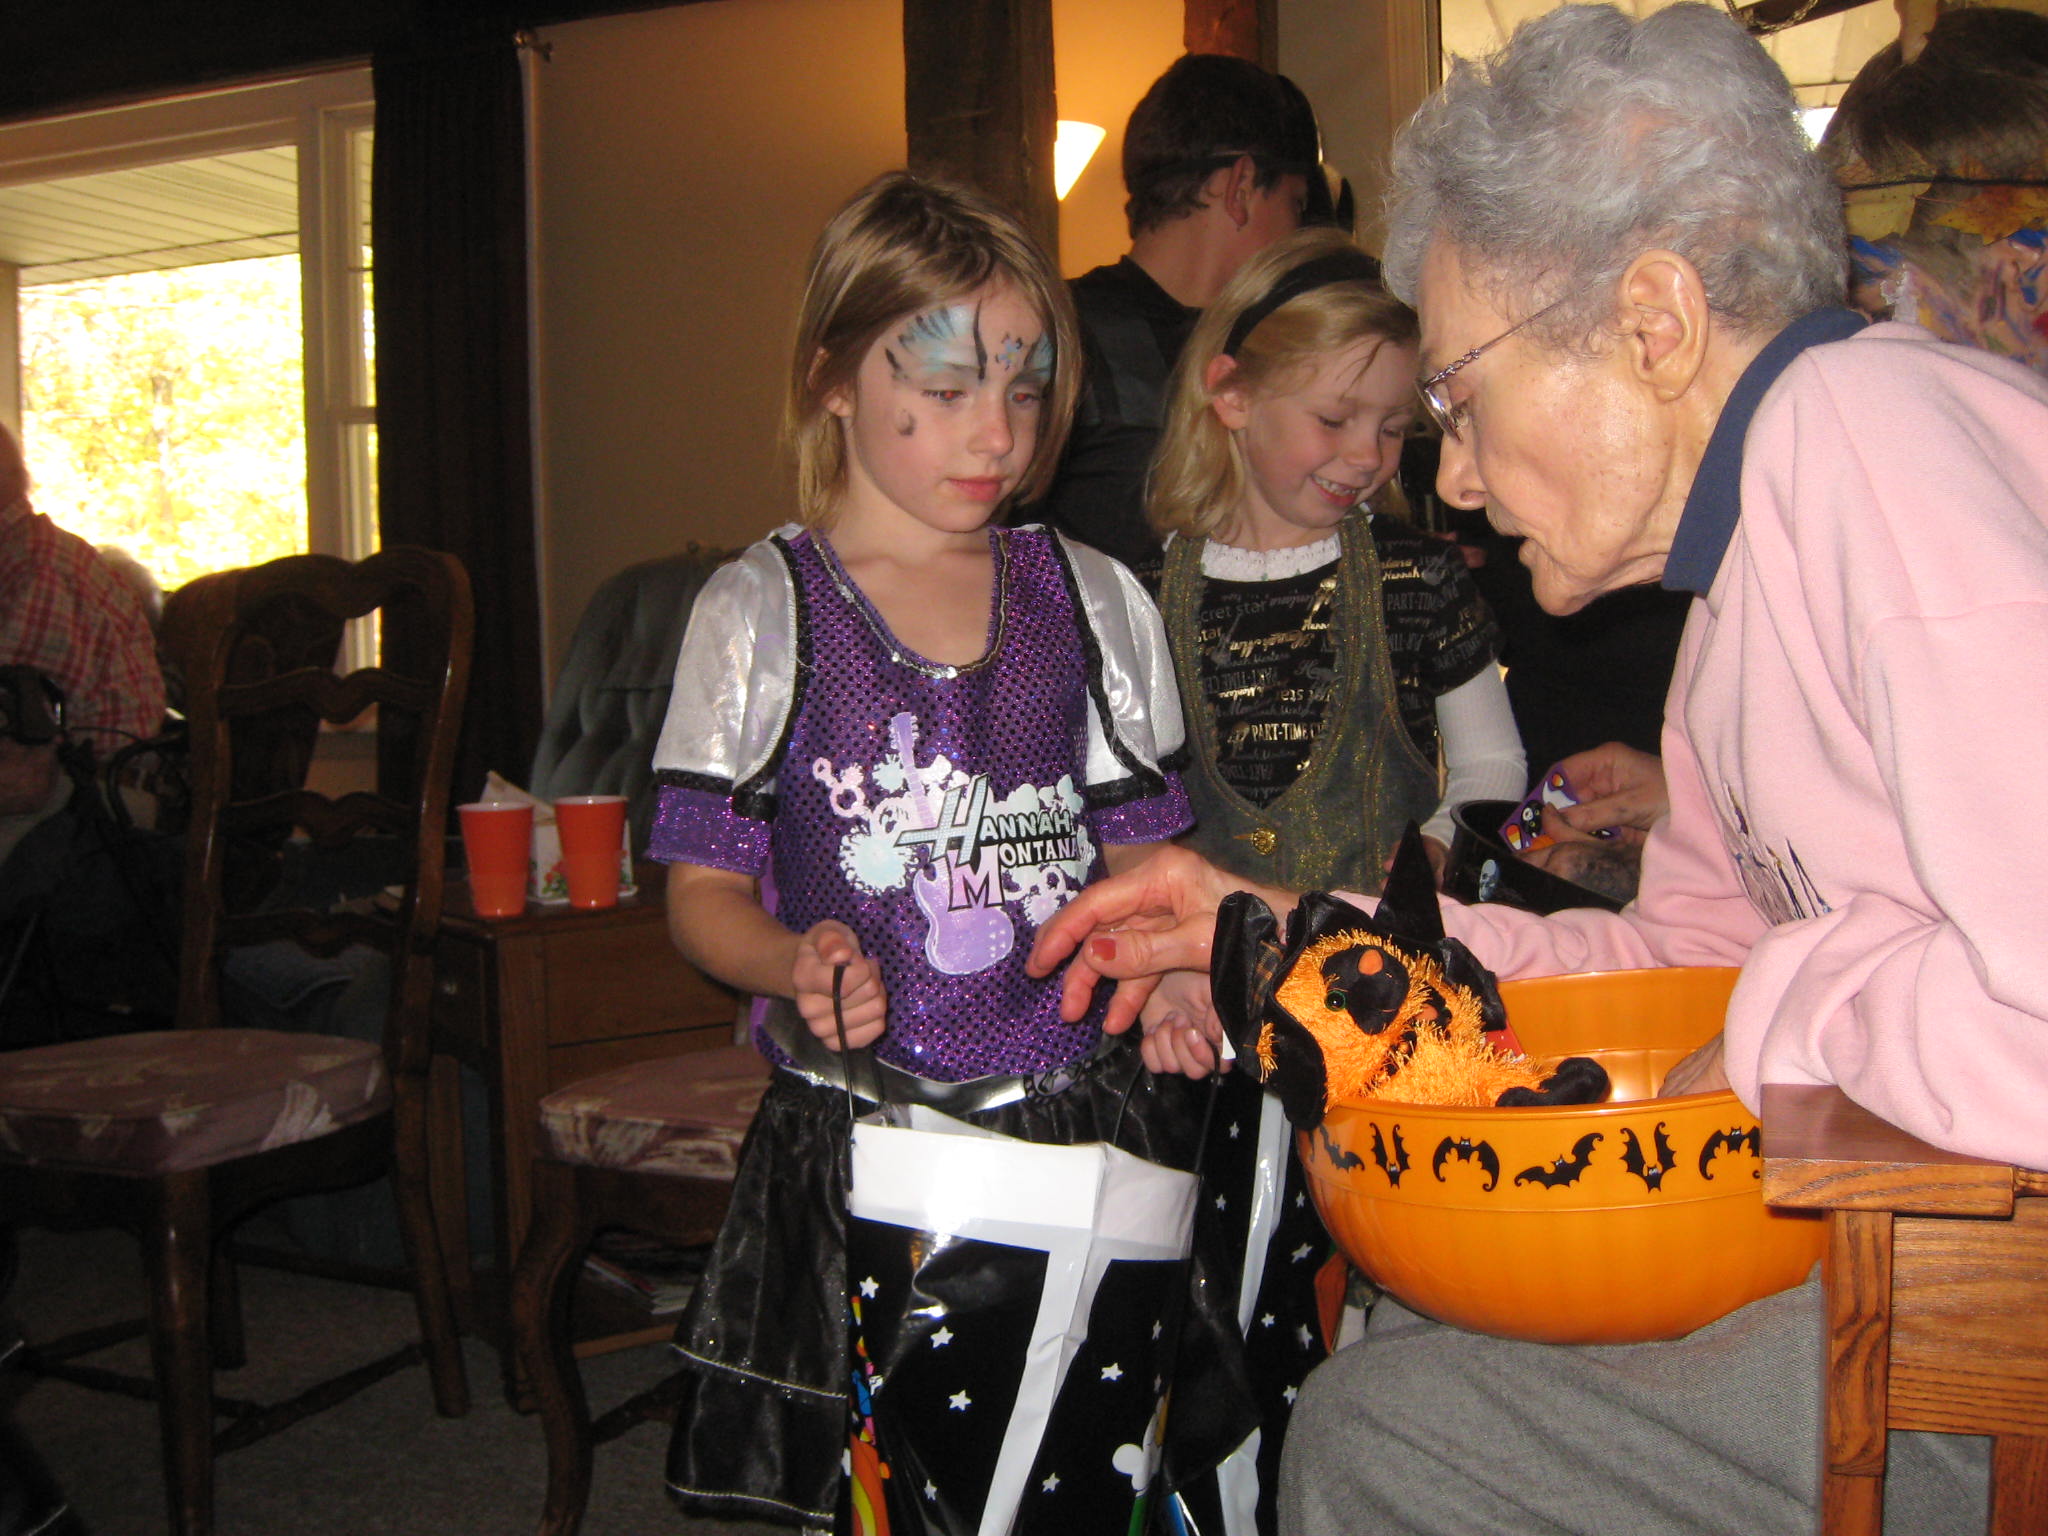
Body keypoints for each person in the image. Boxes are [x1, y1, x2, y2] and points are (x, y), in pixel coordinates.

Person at [1026, 4, 2048, 1530]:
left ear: (1654, 323)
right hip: (1915, 1243)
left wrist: (1785, 1007)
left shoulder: (1871, 439)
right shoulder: (1746, 578)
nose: (1452, 474)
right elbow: (1686, 967)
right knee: (1414, 1319)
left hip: (1993, 1322)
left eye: (1457, 398)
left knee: (1386, 1433)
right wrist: (1288, 936)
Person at [645, 171, 1229, 1529]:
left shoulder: (1092, 599)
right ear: (833, 380)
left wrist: (1180, 974)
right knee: (892, 1486)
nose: (998, 432)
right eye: (951, 387)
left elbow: (1148, 863)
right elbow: (701, 894)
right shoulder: (761, 614)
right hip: (865, 1139)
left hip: (1077, 1114)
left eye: (1024, 390)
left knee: (1081, 1461)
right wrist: (792, 955)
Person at [1140, 223, 1523, 1065]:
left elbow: (1492, 766)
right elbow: (1121, 817)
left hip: (1389, 1008)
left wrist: (1435, 843)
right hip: (1209, 1002)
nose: (1368, 457)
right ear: (1232, 396)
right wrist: (1160, 981)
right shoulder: (1138, 599)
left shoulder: (1417, 579)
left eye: (1392, 428)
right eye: (1335, 419)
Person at [1032, 54, 1324, 569]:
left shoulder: (1277, 340)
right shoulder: (1056, 334)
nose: (1296, 235)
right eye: (1295, 204)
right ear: (1240, 187)